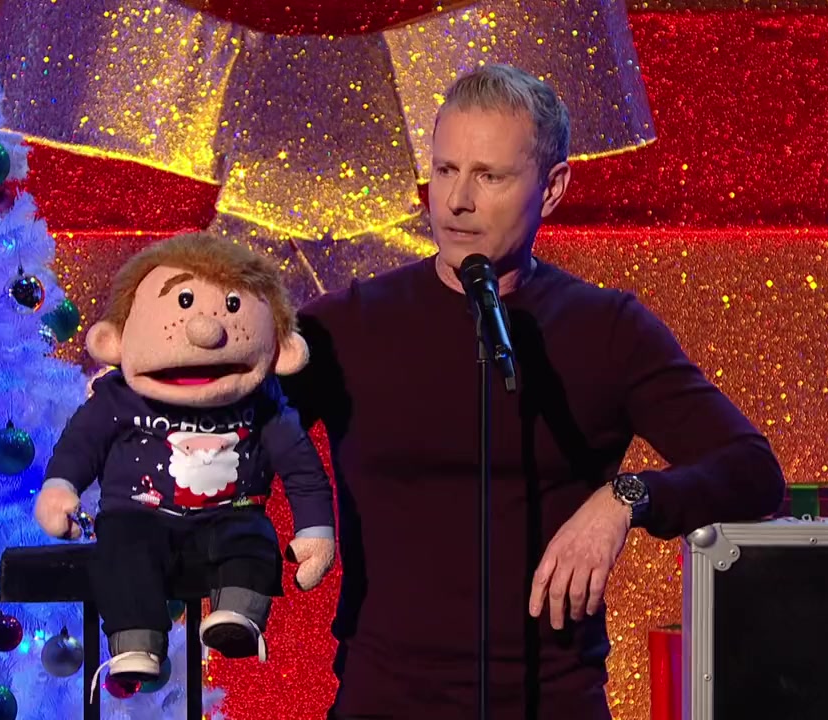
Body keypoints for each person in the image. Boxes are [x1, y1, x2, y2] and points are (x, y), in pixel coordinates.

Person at [279, 63, 786, 719]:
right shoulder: (346, 324)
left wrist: (626, 498)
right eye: (445, 170)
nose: (456, 201)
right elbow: (228, 434)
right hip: (384, 701)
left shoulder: (606, 329)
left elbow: (753, 472)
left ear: (551, 189)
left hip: (553, 701)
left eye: (489, 176)